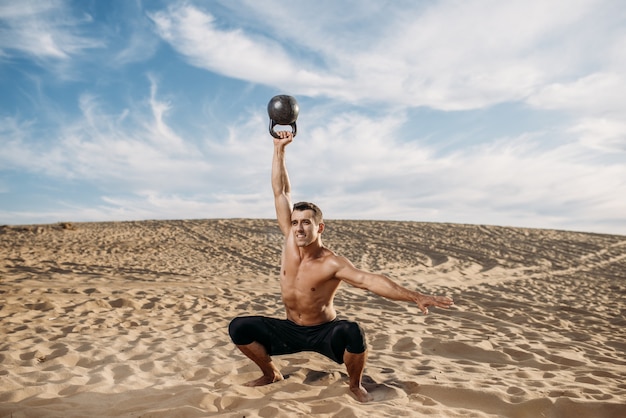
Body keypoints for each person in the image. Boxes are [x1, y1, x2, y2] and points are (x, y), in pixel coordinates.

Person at [228, 130, 454, 402]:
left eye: (306, 223)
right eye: (296, 222)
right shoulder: (289, 239)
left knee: (353, 331)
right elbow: (281, 191)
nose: (299, 227)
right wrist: (279, 149)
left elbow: (370, 280)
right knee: (239, 327)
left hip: (323, 332)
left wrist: (415, 296)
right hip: (290, 329)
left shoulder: (331, 262)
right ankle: (271, 373)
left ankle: (355, 385)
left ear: (319, 227)